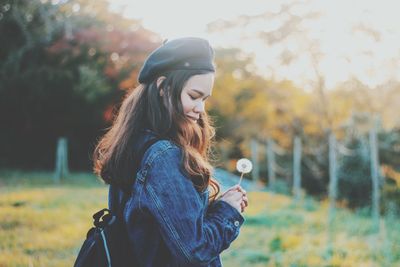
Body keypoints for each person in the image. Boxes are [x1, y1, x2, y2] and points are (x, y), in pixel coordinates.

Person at [92, 37, 249, 267]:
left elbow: (164, 226)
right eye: (194, 96)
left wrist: (216, 208)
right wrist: (228, 212)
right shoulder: (164, 157)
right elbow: (194, 251)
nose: (200, 109)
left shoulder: (137, 142)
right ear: (163, 87)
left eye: (204, 99)